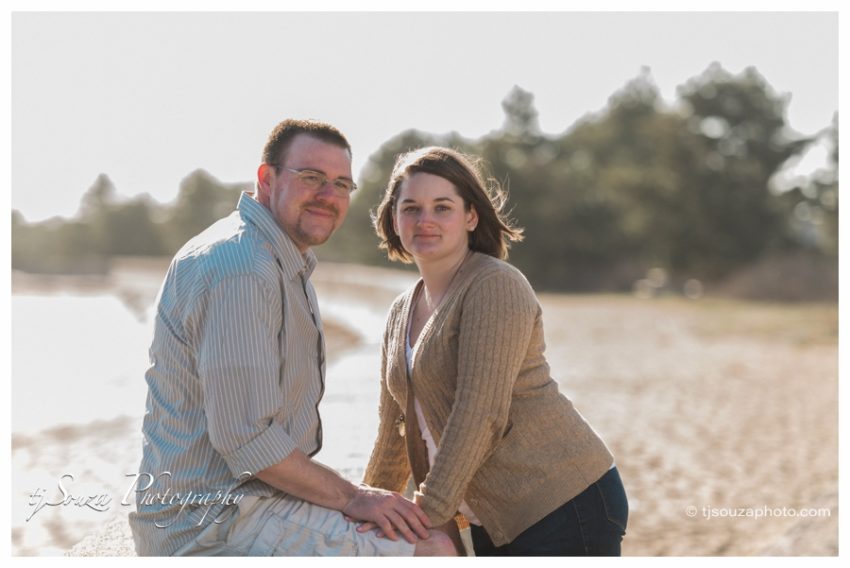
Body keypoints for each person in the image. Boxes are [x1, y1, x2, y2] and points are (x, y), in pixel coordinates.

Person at [128, 120, 457, 557]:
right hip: (211, 524)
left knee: (430, 526)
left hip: (248, 504)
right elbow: (247, 440)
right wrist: (356, 497)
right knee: (432, 549)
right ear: (267, 179)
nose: (328, 194)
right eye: (311, 178)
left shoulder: (278, 258)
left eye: (341, 183)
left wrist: (364, 495)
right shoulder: (241, 267)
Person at [361, 146, 628, 556]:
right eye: (410, 207)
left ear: (471, 216)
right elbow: (394, 430)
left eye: (442, 207)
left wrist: (426, 514)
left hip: (563, 502)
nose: (424, 219)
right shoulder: (401, 310)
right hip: (493, 517)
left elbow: (479, 413)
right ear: (394, 219)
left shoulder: (494, 285)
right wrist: (368, 508)